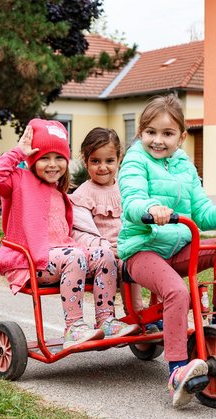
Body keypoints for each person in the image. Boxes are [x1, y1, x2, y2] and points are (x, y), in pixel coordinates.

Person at [117, 94, 216, 408]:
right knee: (178, 293)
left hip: (178, 247)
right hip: (142, 251)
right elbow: (132, 198)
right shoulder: (135, 160)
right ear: (141, 133)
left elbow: (202, 211)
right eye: (150, 132)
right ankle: (176, 370)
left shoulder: (184, 165)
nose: (157, 140)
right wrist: (151, 208)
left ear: (182, 137)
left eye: (167, 134)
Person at [0, 119, 140, 349]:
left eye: (59, 158)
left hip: (63, 258)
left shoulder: (60, 192)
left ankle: (106, 320)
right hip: (31, 262)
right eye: (44, 158)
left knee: (104, 255)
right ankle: (74, 327)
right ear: (32, 159)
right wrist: (19, 152)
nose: (52, 164)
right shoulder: (18, 181)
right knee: (74, 257)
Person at [69, 127, 162, 332]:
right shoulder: (83, 194)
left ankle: (161, 309)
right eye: (96, 161)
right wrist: (107, 248)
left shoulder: (126, 188)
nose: (103, 167)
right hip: (106, 253)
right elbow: (83, 231)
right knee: (129, 265)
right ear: (85, 160)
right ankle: (136, 315)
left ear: (119, 159)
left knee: (157, 261)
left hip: (131, 245)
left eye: (109, 161)